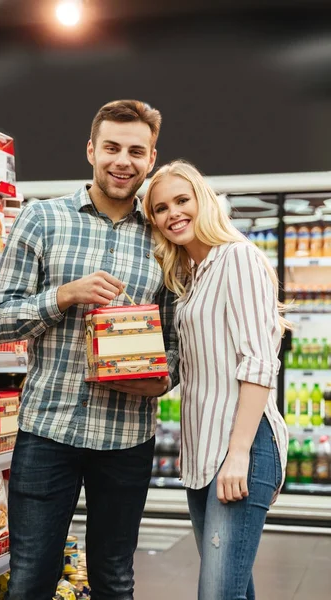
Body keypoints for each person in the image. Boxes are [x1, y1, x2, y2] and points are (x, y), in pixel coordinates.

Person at [0, 100, 179, 600]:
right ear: (91, 150)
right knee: (30, 577)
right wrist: (65, 294)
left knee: (115, 578)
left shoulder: (164, 234)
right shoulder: (41, 219)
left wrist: (164, 377)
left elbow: (176, 339)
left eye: (136, 151)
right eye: (112, 147)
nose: (123, 161)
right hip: (48, 430)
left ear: (151, 158)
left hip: (127, 436)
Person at [143, 160, 290, 600]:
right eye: (161, 208)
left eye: (181, 201)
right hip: (203, 453)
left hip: (242, 446)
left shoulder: (237, 258)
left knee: (217, 593)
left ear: (203, 201)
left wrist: (239, 454)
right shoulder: (191, 278)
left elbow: (259, 362)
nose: (173, 214)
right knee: (232, 589)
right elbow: (189, 367)